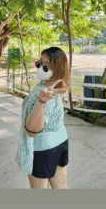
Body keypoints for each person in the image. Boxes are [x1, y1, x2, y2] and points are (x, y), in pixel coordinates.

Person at [15, 47, 71, 189]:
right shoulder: (49, 84)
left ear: (57, 70)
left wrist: (41, 102)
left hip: (43, 149)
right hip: (61, 141)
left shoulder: (48, 95)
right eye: (39, 63)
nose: (39, 69)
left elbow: (32, 131)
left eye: (46, 67)